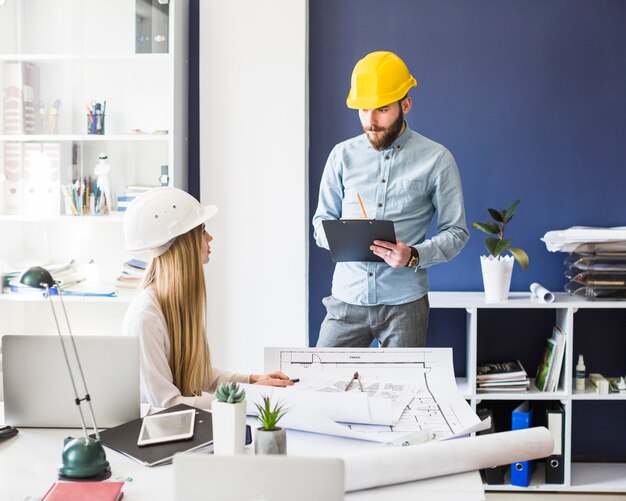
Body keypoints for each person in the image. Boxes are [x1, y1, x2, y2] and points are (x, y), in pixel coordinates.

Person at [313, 51, 469, 348]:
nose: (370, 121)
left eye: (381, 110)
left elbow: (457, 233)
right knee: (323, 386)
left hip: (405, 305)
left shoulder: (437, 159)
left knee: (403, 394)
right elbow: (320, 221)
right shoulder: (341, 156)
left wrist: (413, 255)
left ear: (405, 105)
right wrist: (342, 237)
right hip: (346, 300)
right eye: (362, 110)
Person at [122, 187, 293, 408]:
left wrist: (253, 381)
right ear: (184, 242)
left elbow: (199, 376)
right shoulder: (146, 317)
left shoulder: (175, 303)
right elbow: (168, 403)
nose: (210, 237)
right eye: (203, 231)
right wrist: (248, 398)